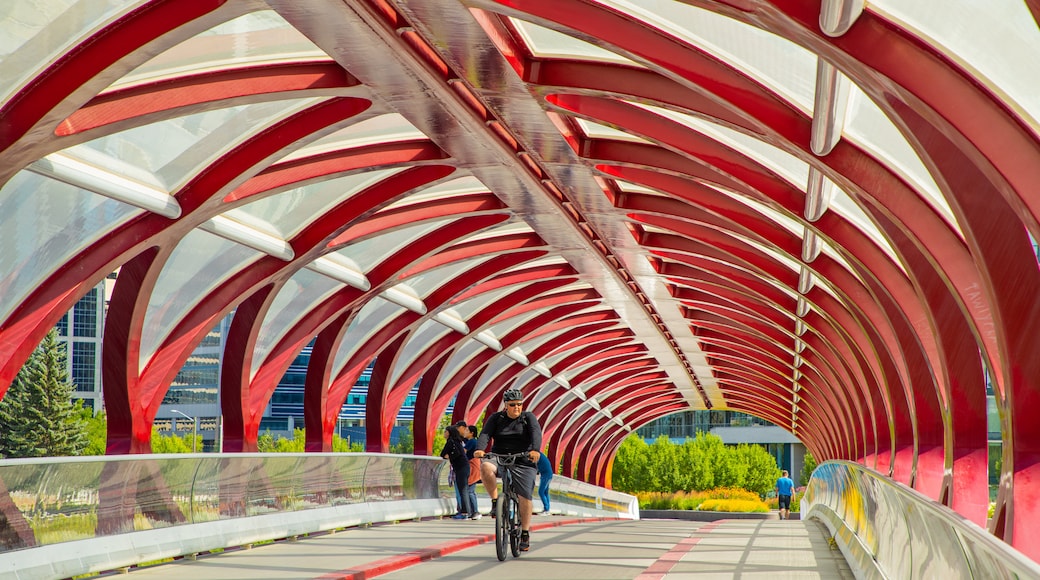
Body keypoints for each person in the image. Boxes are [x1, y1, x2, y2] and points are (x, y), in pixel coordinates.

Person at [474, 388, 542, 552]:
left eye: (519, 404)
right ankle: (496, 501)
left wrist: (535, 450)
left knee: (524, 496)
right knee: (485, 466)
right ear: (506, 405)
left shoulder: (528, 418)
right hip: (499, 456)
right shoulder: (496, 418)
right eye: (512, 405)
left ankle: (524, 532)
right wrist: (480, 449)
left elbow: (536, 433)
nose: (517, 407)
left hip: (523, 459)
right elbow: (485, 434)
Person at [439, 425, 471, 520]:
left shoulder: (450, 442)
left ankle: (465, 513)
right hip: (464, 467)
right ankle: (466, 511)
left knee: (463, 490)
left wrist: (447, 455)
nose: (444, 433)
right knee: (463, 489)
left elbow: (442, 453)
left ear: (449, 433)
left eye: (445, 431)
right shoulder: (457, 442)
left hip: (460, 468)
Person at [456, 421, 481, 520]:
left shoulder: (472, 441)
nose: (465, 432)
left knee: (470, 491)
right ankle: (471, 511)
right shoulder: (470, 441)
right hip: (472, 467)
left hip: (472, 467)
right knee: (469, 490)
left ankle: (475, 511)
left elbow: (463, 452)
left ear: (472, 433)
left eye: (467, 430)